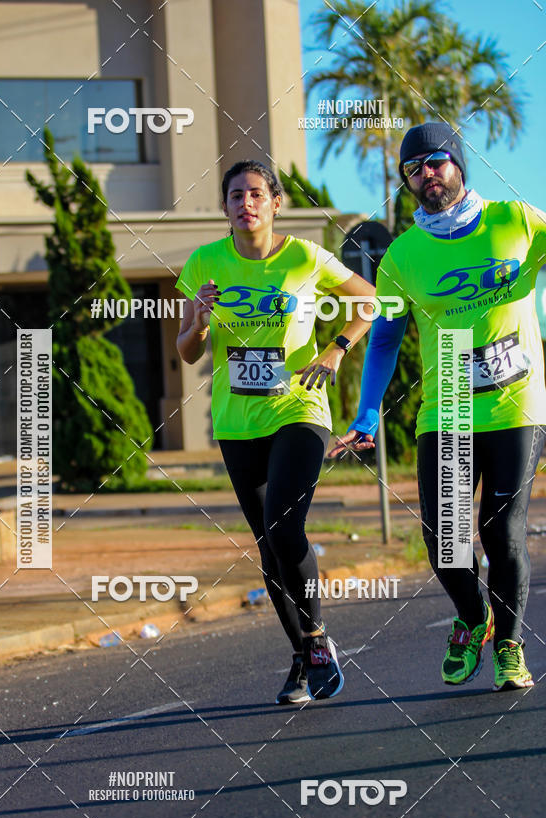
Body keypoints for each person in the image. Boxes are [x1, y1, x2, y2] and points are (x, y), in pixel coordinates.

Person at [330, 122, 546, 691]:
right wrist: (368, 409)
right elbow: (384, 337)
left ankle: (510, 648)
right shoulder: (402, 255)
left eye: (437, 162)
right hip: (446, 400)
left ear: (459, 163)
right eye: (414, 169)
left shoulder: (517, 221)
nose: (427, 175)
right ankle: (474, 619)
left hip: (516, 400)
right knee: (445, 543)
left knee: (502, 535)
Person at [176, 160, 375, 703]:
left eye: (257, 194)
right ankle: (303, 658)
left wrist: (337, 349)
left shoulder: (305, 256)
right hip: (237, 422)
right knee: (268, 547)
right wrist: (195, 324)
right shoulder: (204, 263)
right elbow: (188, 352)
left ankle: (315, 637)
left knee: (284, 527)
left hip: (300, 410)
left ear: (275, 202)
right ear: (224, 207)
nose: (247, 203)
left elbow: (368, 299)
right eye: (236, 195)